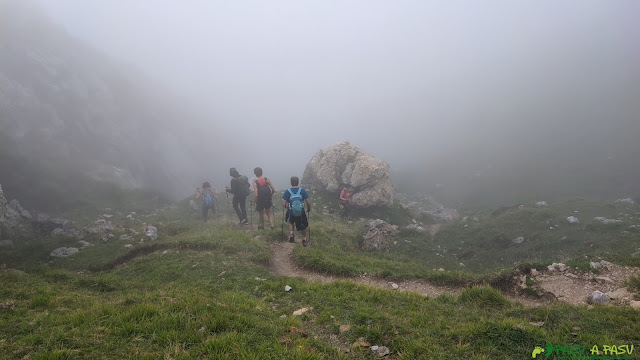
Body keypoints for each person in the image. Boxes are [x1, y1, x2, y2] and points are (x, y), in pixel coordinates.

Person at [281, 176, 311, 246]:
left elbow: (283, 203)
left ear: (291, 183)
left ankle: (291, 234)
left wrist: (287, 207)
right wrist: (308, 208)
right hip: (301, 212)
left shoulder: (288, 191)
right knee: (303, 225)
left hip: (291, 211)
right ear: (298, 182)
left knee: (291, 222)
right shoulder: (302, 191)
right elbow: (308, 202)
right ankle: (304, 239)